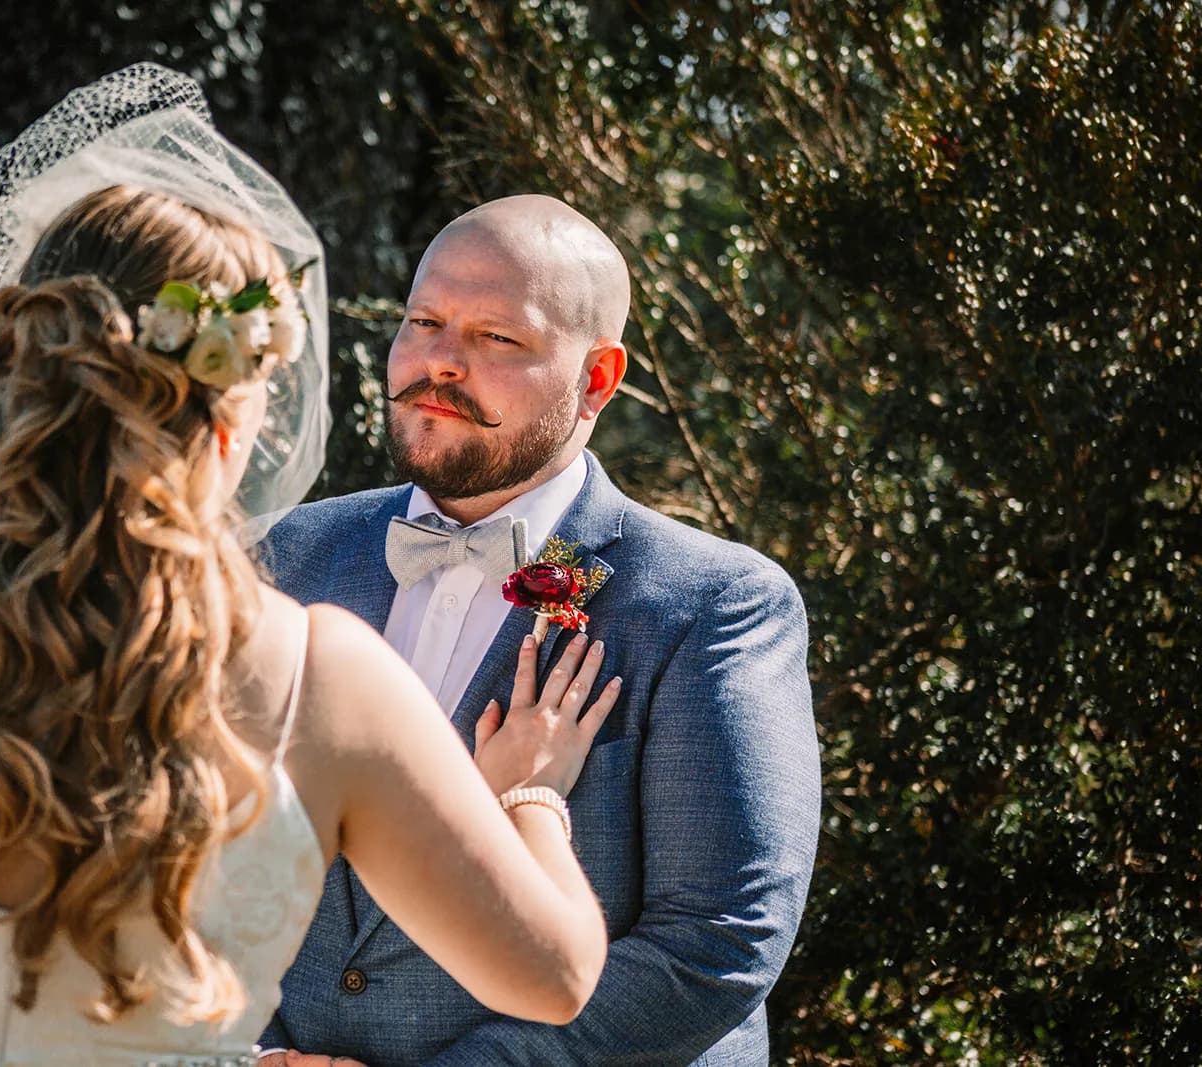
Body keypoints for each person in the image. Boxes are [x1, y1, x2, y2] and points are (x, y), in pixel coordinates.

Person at [0, 66, 614, 1066]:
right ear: (236, 411)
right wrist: (528, 791)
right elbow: (553, 974)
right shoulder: (330, 678)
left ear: (20, 367)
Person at [258, 195, 821, 1067]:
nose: (441, 361)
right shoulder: (290, 554)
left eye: (497, 338)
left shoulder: (713, 605)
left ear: (597, 379)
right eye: (425, 322)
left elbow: (716, 942)